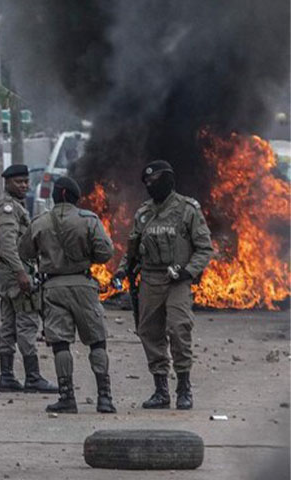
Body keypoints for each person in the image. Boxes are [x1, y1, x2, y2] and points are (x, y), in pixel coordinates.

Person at [114, 160, 213, 410]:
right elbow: (132, 250)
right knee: (149, 332)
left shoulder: (187, 209)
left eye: (154, 180)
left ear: (168, 180)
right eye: (147, 182)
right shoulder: (144, 213)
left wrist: (188, 272)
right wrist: (122, 271)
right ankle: (161, 390)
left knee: (179, 329)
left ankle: (184, 388)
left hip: (176, 280)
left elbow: (204, 249)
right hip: (149, 279)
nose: (150, 185)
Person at [19, 176, 116, 414]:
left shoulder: (40, 222)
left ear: (56, 195)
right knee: (96, 340)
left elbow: (24, 250)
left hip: (53, 288)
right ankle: (104, 398)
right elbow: (105, 252)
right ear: (74, 196)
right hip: (83, 286)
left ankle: (67, 397)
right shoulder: (89, 220)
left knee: (60, 343)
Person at [0, 164, 57, 394]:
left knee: (8, 325)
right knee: (27, 322)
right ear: (7, 183)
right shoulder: (8, 208)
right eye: (19, 182)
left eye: (26, 181)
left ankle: (6, 376)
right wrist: (21, 273)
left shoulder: (14, 205)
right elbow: (9, 244)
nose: (24, 185)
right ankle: (32, 377)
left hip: (7, 273)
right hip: (15, 273)